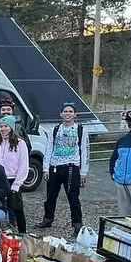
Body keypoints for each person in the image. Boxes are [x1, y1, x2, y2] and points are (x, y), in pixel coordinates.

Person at [36, 101, 89, 236]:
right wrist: (45, 168)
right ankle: (48, 219)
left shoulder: (81, 130)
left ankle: (77, 224)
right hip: (55, 167)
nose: (68, 114)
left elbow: (85, 150)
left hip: (72, 167)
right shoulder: (55, 130)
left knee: (73, 197)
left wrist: (83, 172)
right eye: (65, 111)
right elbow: (49, 149)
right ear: (61, 114)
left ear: (75, 114)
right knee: (50, 196)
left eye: (70, 111)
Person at [0, 115, 29, 234]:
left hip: (13, 180)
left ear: (12, 128)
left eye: (5, 126)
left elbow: (23, 165)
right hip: (0, 180)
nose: (3, 129)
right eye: (1, 126)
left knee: (18, 209)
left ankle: (22, 234)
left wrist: (17, 184)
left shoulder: (20, 144)